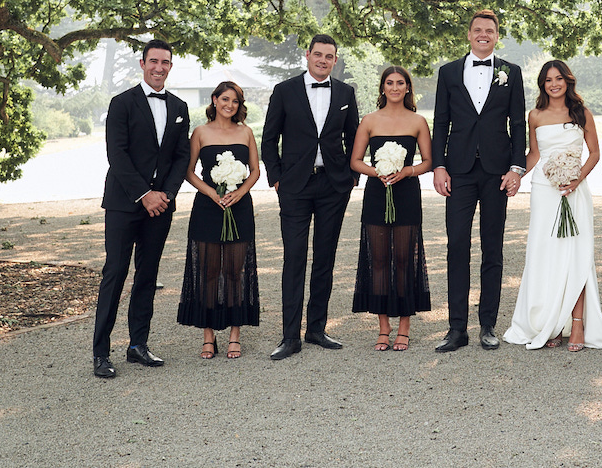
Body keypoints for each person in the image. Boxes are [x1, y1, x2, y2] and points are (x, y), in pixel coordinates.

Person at [505, 61, 602, 352]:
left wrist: (575, 179)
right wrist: (515, 175)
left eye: (558, 78)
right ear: (542, 84)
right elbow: (535, 155)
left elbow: (595, 153)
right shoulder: (534, 116)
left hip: (574, 190)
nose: (554, 84)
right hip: (543, 191)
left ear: (567, 81)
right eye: (548, 80)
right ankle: (551, 322)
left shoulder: (581, 113)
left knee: (576, 254)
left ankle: (577, 322)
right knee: (545, 255)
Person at [92, 39, 192, 379]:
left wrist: (164, 194)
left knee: (147, 276)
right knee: (115, 273)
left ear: (170, 66)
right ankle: (101, 354)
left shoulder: (179, 107)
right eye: (153, 61)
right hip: (124, 204)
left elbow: (181, 157)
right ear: (142, 63)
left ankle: (138, 346)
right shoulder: (122, 104)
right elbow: (116, 155)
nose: (159, 67)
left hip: (161, 206)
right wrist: (144, 194)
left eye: (165, 62)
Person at [431, 9, 526, 352]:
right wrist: (438, 166)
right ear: (469, 34)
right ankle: (456, 329)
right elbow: (440, 122)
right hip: (458, 171)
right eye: (478, 30)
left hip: (497, 171)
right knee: (457, 245)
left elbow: (518, 124)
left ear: (497, 36)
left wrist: (517, 168)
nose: (483, 34)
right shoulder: (448, 72)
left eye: (490, 30)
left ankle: (488, 324)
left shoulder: (511, 73)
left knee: (492, 247)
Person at [261, 34, 361, 360]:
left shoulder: (346, 93)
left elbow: (354, 138)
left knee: (325, 259)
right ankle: (290, 336)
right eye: (317, 54)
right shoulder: (284, 91)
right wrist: (277, 178)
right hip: (294, 187)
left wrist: (351, 178)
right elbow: (269, 139)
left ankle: (316, 328)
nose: (322, 60)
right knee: (294, 259)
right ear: (307, 55)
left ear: (335, 59)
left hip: (333, 186)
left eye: (329, 56)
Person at [349, 66, 433, 351]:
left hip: (407, 193)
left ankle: (405, 326)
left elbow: (428, 162)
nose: (395, 87)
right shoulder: (369, 120)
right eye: (389, 83)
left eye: (400, 83)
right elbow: (356, 161)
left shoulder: (418, 121)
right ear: (382, 87)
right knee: (380, 260)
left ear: (408, 87)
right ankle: (384, 326)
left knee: (404, 260)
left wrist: (407, 171)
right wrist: (377, 172)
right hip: (377, 192)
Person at [177, 80, 261, 360]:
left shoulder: (246, 132)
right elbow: (189, 172)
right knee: (209, 272)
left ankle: (235, 334)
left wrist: (240, 192)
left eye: (235, 101)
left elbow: (254, 171)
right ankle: (208, 335)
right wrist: (213, 193)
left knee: (235, 273)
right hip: (208, 206)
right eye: (225, 99)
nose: (229, 105)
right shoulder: (200, 132)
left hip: (239, 206)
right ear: (214, 100)